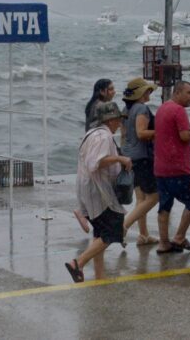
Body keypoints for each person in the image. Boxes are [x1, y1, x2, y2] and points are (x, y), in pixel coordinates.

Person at [64, 102, 132, 282]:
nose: (119, 123)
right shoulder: (103, 137)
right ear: (111, 120)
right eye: (118, 119)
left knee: (100, 233)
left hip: (88, 188)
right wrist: (120, 158)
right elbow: (96, 162)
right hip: (98, 191)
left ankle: (100, 275)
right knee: (112, 232)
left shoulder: (91, 134)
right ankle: (78, 263)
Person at [153, 80, 190, 254]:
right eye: (188, 93)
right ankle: (179, 237)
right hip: (178, 168)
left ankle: (163, 242)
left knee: (164, 205)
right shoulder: (179, 110)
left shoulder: (162, 108)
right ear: (177, 93)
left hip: (160, 167)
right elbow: (183, 136)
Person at [120, 77, 159, 246]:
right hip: (142, 158)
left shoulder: (125, 109)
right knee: (154, 196)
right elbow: (141, 133)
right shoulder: (142, 108)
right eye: (148, 90)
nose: (150, 93)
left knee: (141, 199)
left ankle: (143, 235)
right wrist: (161, 131)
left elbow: (123, 134)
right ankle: (124, 226)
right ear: (141, 93)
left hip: (128, 156)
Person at [76, 78, 116, 232]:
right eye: (110, 89)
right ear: (102, 91)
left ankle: (83, 212)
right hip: (97, 146)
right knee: (97, 184)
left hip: (89, 145)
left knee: (91, 182)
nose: (113, 92)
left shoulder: (92, 105)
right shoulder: (101, 106)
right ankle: (89, 217)